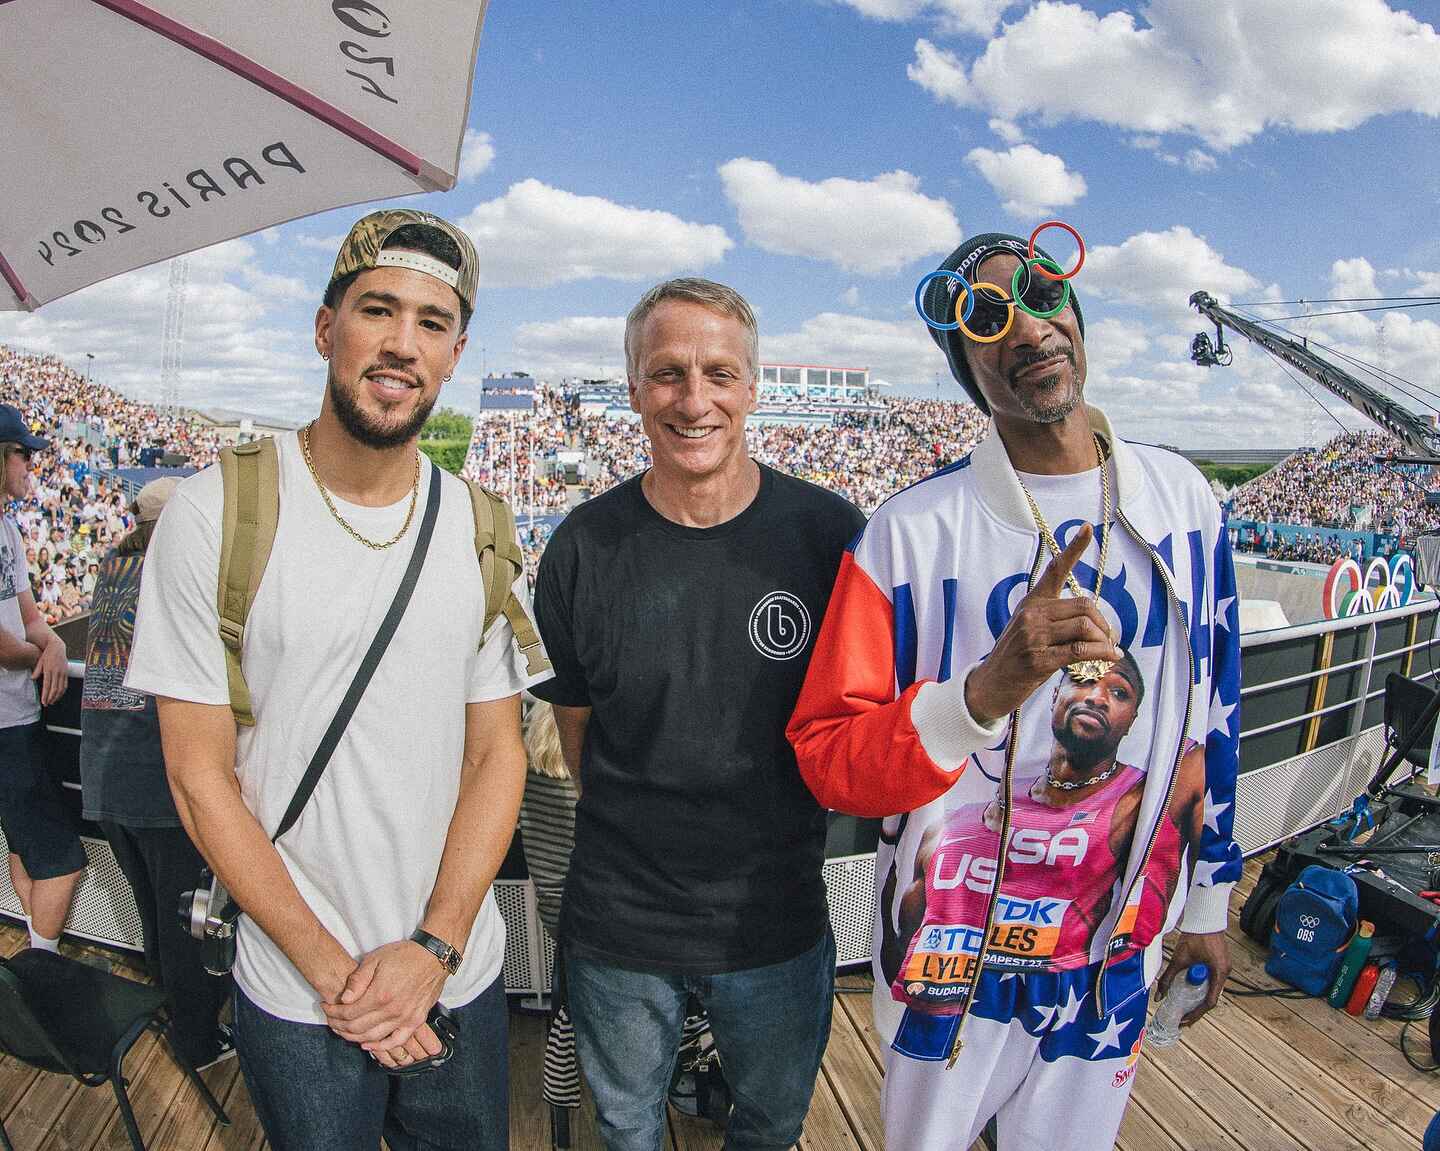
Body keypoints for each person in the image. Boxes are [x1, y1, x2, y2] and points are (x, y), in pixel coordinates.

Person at [788, 231, 1242, 1151]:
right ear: (966, 368)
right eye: (990, 320)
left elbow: (1216, 712)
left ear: (1075, 310)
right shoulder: (907, 535)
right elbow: (830, 758)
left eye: (1041, 293)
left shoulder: (1185, 500)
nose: (1029, 328)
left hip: (1113, 950)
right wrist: (986, 690)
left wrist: (1204, 903)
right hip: (951, 960)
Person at [127, 209, 550, 1151]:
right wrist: (340, 977)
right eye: (378, 310)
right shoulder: (217, 512)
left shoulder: (480, 525)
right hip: (295, 984)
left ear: (455, 353)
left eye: (432, 323)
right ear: (327, 328)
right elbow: (199, 781)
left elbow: (497, 756)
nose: (403, 344)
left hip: (454, 974)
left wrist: (431, 951)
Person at [531, 277, 866, 1151]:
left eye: (719, 372)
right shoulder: (581, 547)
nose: (694, 398)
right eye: (667, 373)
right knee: (628, 1125)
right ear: (634, 387)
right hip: (620, 920)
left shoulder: (829, 536)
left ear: (753, 388)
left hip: (776, 916)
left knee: (770, 1123)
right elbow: (579, 736)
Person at [80, 477, 233, 1069]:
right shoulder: (174, 577)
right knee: (187, 924)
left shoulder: (111, 570)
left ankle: (176, 1019)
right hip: (158, 781)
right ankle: (196, 1042)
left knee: (155, 918)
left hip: (105, 776)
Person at [0, 405, 81, 954]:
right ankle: (41, 970)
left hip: (18, 715)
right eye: (23, 454)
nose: (32, 465)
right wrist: (38, 654)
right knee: (62, 859)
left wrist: (51, 642)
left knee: (27, 846)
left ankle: (35, 960)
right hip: (6, 723)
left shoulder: (9, 526)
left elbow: (29, 616)